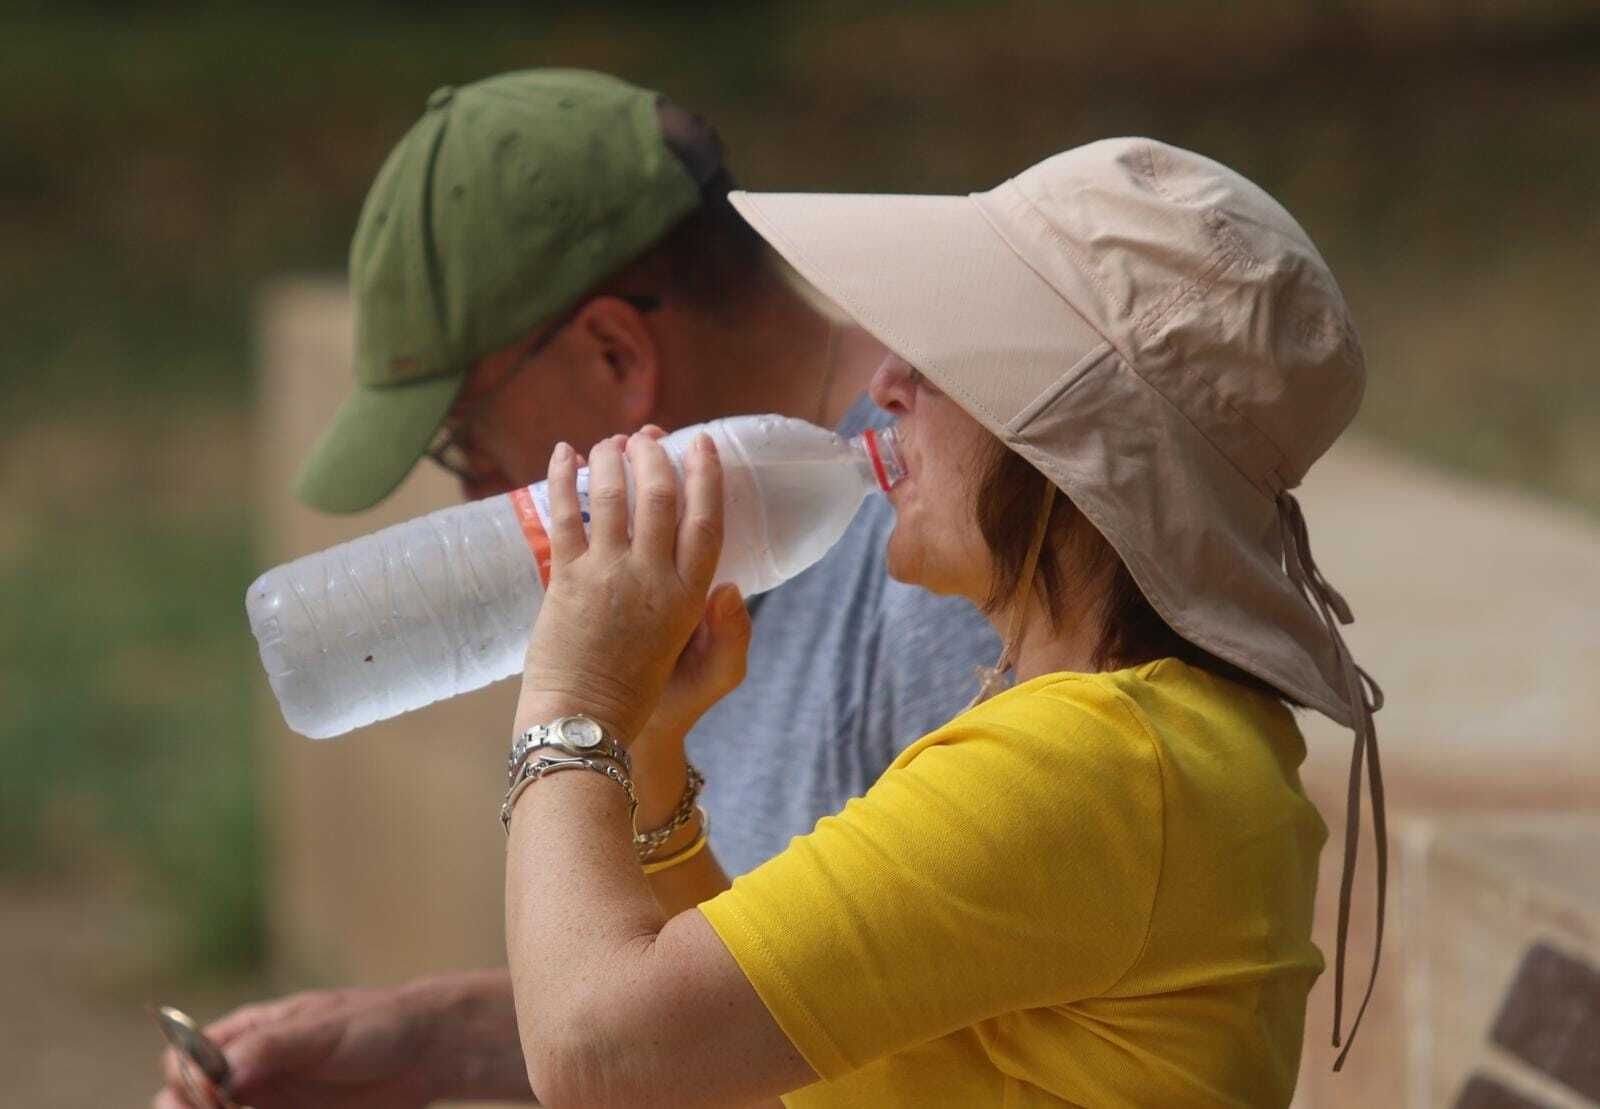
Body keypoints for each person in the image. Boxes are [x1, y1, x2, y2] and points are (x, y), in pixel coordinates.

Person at [153, 71, 996, 1107]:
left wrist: (572, 712)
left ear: (614, 352)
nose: (467, 493)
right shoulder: (709, 573)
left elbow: (944, 1068)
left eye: (464, 437)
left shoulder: (944, 579)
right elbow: (770, 1009)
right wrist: (437, 1040)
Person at [488, 138, 1386, 1106]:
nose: (885, 385)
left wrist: (569, 700)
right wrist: (651, 748)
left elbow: (594, 1052)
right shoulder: (1130, 744)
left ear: (1068, 441)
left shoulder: (1093, 763)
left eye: (950, 352)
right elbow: (722, 1067)